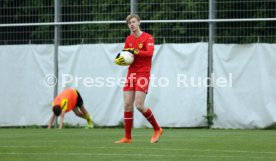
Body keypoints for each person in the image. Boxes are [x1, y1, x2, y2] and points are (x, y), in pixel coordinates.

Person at [114, 14, 163, 143]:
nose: (132, 24)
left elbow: (149, 53)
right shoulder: (128, 39)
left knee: (139, 105)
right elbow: (127, 56)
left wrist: (135, 51)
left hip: (143, 74)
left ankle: (157, 129)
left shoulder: (148, 38)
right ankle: (127, 137)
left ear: (139, 22)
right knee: (127, 105)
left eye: (134, 22)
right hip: (131, 73)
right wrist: (122, 60)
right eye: (129, 23)